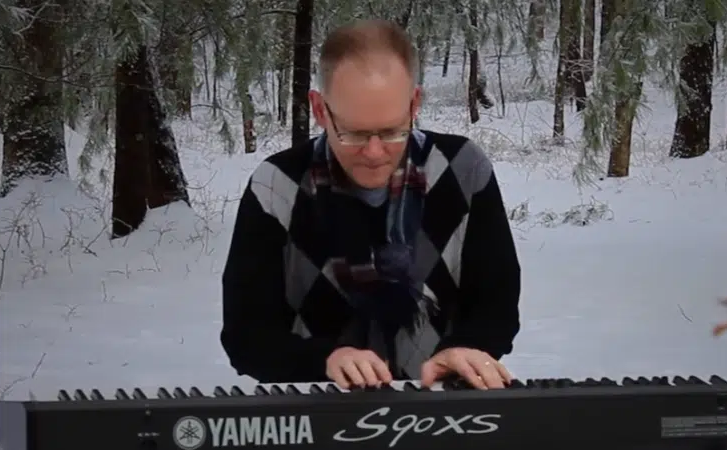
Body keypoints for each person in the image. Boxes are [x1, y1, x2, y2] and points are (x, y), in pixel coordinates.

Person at [220, 19, 521, 391]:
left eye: (393, 130)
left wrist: (465, 349)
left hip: (443, 404)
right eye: (354, 133)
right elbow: (246, 337)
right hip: (318, 408)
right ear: (320, 110)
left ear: (414, 104)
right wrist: (325, 360)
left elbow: (497, 307)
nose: (375, 153)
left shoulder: (462, 169)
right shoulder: (277, 186)